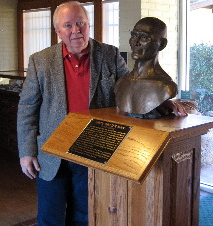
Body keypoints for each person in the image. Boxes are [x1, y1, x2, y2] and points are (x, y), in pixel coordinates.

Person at [17, 2, 187, 226]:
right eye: (67, 25)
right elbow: (27, 107)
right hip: (51, 153)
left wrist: (164, 102)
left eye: (80, 23)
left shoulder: (109, 54)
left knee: (86, 215)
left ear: (89, 25)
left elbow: (133, 88)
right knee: (50, 217)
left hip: (93, 150)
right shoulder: (40, 61)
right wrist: (26, 152)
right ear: (58, 31)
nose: (75, 30)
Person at [115, 17, 179, 118]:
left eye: (144, 37)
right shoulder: (121, 83)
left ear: (162, 44)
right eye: (134, 35)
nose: (136, 42)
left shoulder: (166, 87)